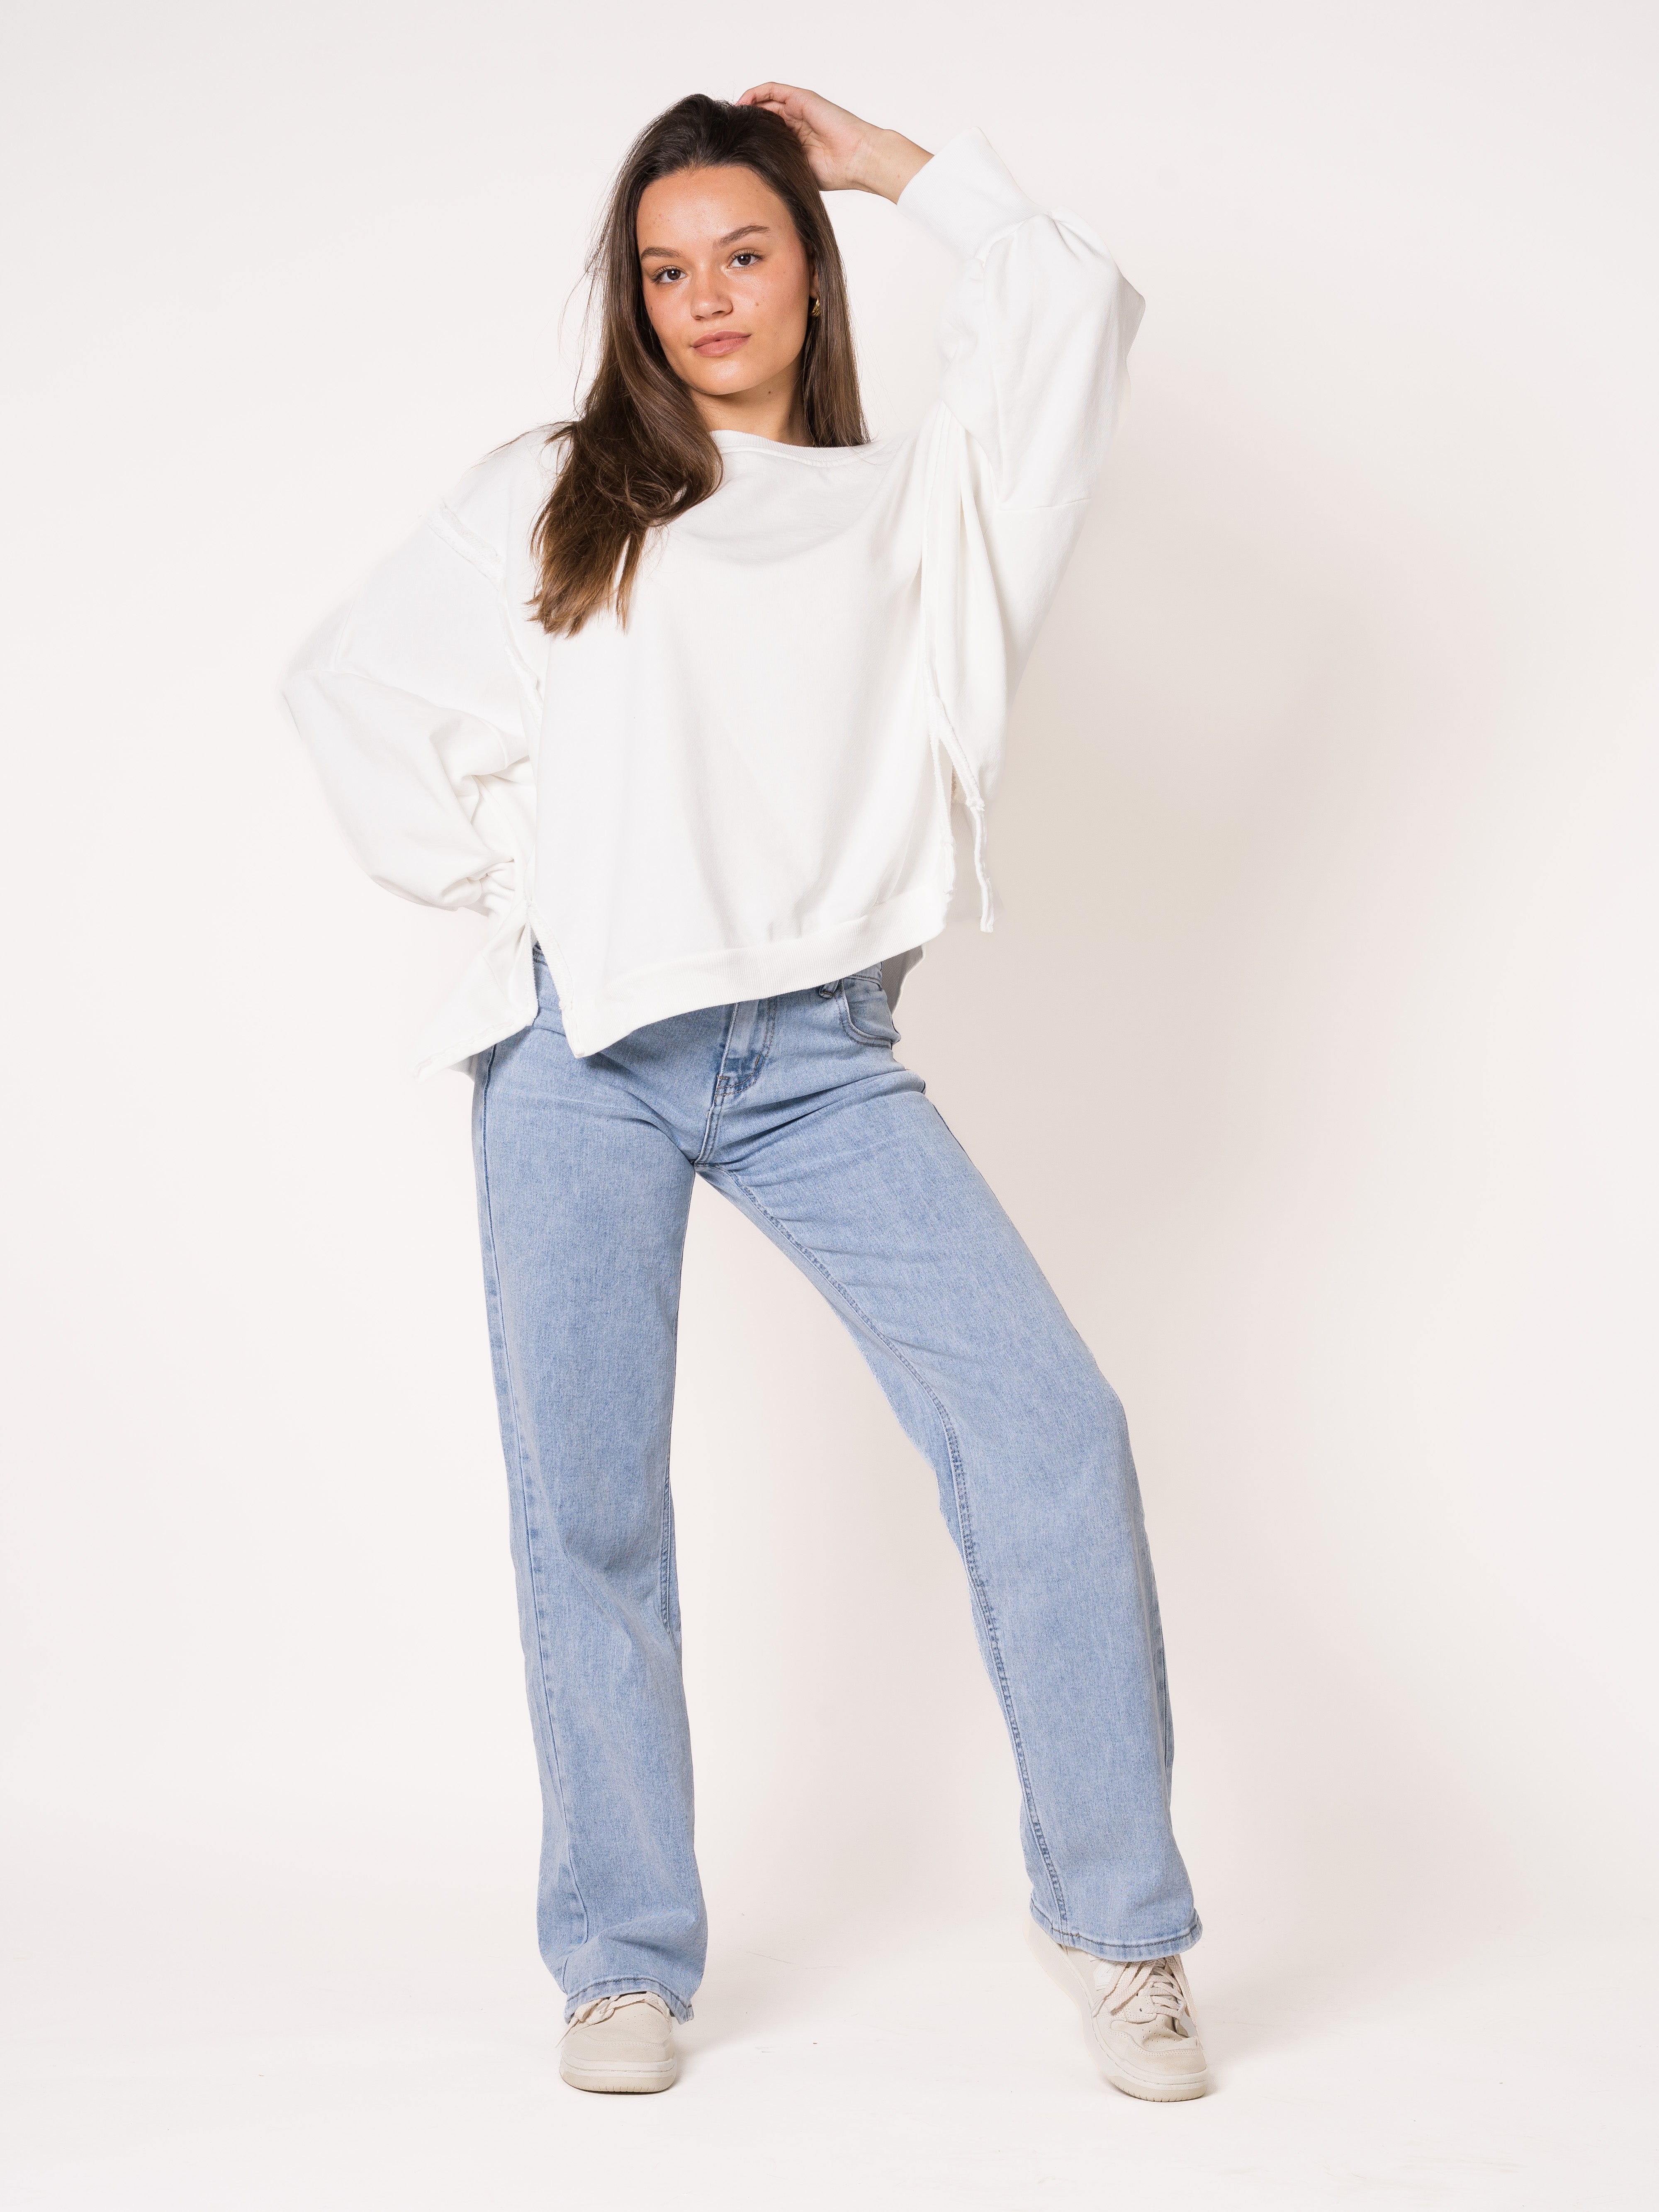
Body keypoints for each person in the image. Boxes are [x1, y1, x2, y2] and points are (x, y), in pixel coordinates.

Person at [282, 82, 1206, 2102]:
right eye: (665, 268)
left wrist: (896, 167)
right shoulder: (562, 488)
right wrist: (532, 884)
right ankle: (620, 1958)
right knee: (591, 1506)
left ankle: (1123, 1933)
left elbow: (1070, 301)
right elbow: (348, 689)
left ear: (811, 271)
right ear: (632, 297)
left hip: (820, 1061)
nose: (706, 297)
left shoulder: (929, 506)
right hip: (582, 1054)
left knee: (1050, 1433)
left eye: (747, 252)